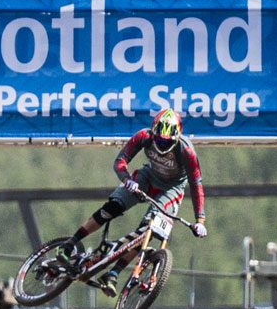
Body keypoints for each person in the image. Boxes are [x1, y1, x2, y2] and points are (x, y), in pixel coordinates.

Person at [67, 109, 209, 265]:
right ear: (153, 133)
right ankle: (70, 243)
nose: (162, 145)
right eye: (159, 140)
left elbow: (196, 184)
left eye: (167, 142)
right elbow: (120, 161)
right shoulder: (144, 136)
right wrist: (127, 180)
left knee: (148, 228)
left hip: (172, 188)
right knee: (112, 207)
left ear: (176, 138)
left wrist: (200, 220)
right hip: (148, 176)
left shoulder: (186, 151)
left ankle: (114, 273)